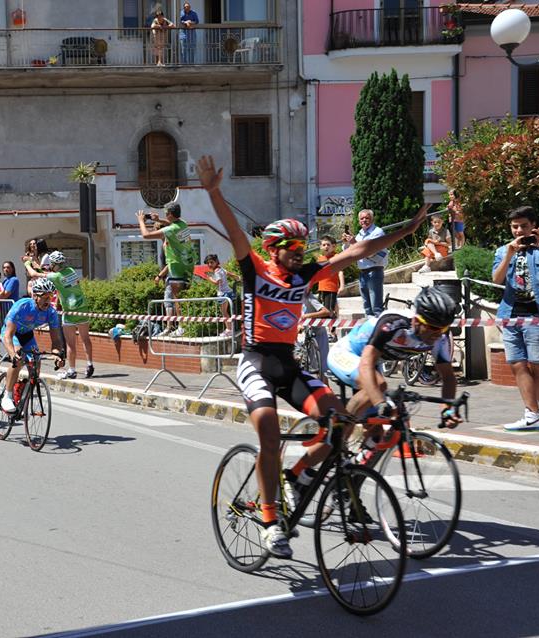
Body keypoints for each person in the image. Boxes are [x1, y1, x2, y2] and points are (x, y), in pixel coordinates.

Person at [197, 154, 427, 558]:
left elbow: (356, 252)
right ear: (274, 248)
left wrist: (408, 230)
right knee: (268, 430)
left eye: (304, 245)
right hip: (255, 361)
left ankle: (297, 475)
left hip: (287, 363)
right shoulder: (255, 269)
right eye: (294, 246)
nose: (301, 252)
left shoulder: (305, 275)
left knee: (339, 420)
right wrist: (214, 192)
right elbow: (234, 232)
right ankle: (270, 521)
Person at [327, 287, 462, 433]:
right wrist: (380, 403)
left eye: (443, 329)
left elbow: (448, 377)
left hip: (372, 365)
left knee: (376, 434)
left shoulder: (440, 338)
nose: (438, 334)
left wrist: (447, 410)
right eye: (433, 328)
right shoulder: (393, 322)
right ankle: (337, 438)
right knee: (379, 385)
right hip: (346, 353)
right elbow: (366, 364)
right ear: (417, 321)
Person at [493, 205, 539, 431]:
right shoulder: (504, 250)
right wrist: (510, 254)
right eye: (515, 227)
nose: (519, 231)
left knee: (538, 365)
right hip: (511, 314)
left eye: (524, 226)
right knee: (517, 364)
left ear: (533, 225)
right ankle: (532, 414)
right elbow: (497, 279)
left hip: (536, 314)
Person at [0, 278, 66, 413]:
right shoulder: (22, 306)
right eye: (45, 296)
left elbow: (56, 339)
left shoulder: (51, 312)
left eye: (51, 296)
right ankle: (8, 395)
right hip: (12, 334)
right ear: (35, 296)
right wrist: (12, 354)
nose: (48, 300)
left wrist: (57, 354)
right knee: (19, 358)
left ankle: (23, 396)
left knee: (36, 363)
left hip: (28, 335)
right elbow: (8, 336)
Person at [139, 203, 197, 337]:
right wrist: (158, 220)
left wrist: (141, 221)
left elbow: (146, 235)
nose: (165, 215)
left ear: (170, 214)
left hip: (177, 265)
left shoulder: (169, 230)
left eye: (166, 213)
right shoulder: (183, 224)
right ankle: (185, 326)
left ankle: (182, 327)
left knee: (177, 298)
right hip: (188, 262)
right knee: (184, 296)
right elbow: (171, 223)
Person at [43, 251, 94, 379]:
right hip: (82, 307)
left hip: (70, 311)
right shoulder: (71, 270)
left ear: (54, 264)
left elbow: (35, 274)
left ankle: (72, 370)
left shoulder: (55, 277)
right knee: (85, 338)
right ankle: (90, 364)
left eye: (51, 264)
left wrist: (28, 263)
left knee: (70, 343)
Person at [342, 209, 388, 317]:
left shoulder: (377, 232)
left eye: (367, 218)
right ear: (358, 221)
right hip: (363, 272)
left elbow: (371, 251)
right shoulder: (359, 235)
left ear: (372, 219)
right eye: (362, 218)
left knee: (376, 307)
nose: (364, 220)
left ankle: (378, 330)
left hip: (374, 271)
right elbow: (349, 253)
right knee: (367, 307)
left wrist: (355, 243)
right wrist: (347, 244)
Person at [204, 253, 239, 336]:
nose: (210, 264)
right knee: (226, 312)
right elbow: (229, 273)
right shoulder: (221, 269)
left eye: (211, 262)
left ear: (216, 262)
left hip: (223, 293)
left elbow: (217, 282)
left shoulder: (216, 271)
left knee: (224, 312)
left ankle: (229, 329)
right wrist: (237, 277)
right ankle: (230, 328)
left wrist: (209, 278)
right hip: (228, 292)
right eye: (208, 263)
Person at [315, 236, 344, 321]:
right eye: (324, 245)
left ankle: (332, 329)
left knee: (328, 311)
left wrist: (342, 285)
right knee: (322, 310)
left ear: (334, 246)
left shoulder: (336, 256)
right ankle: (329, 328)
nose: (326, 247)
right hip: (321, 288)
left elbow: (340, 271)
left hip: (331, 288)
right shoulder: (320, 258)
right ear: (320, 247)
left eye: (328, 245)